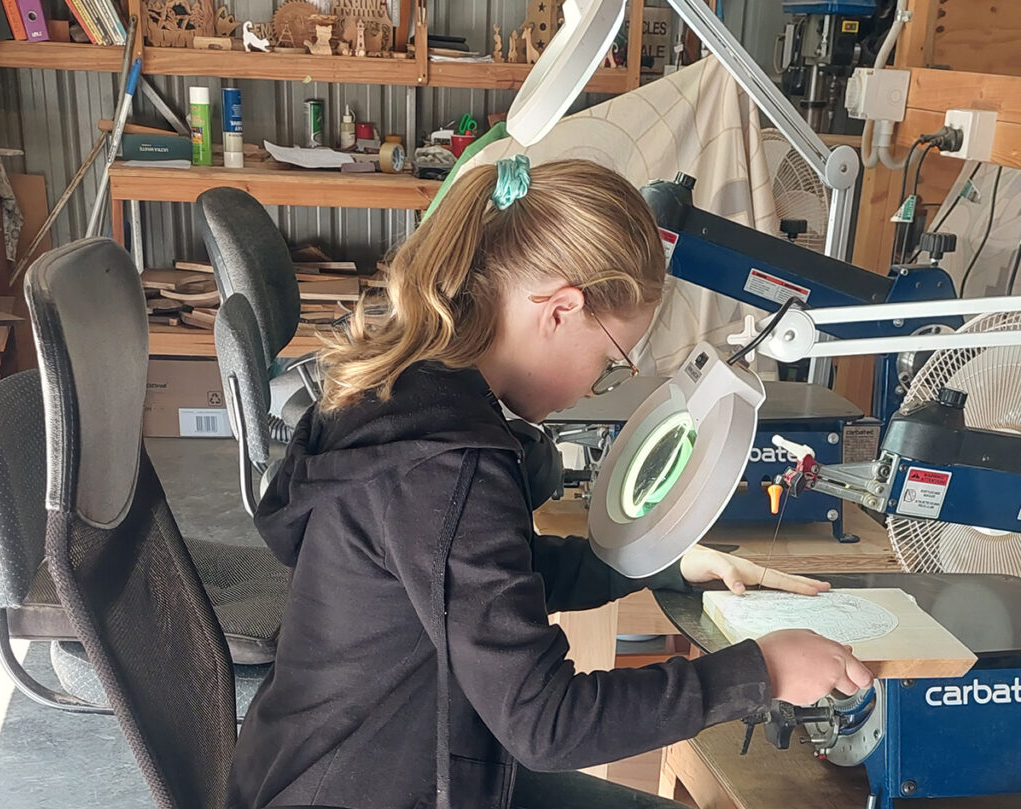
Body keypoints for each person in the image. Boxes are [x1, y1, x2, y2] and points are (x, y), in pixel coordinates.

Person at [226, 156, 872, 809]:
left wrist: (652, 565)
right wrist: (759, 671)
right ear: (561, 309)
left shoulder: (411, 394)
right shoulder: (448, 466)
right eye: (608, 361)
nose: (596, 385)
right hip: (370, 784)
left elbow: (487, 577)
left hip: (354, 759)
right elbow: (546, 723)